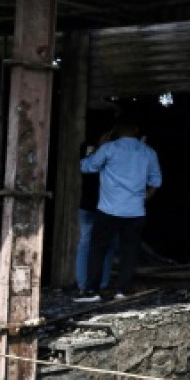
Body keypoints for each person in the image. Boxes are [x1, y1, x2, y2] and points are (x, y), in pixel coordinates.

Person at [74, 116, 161, 302]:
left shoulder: (108, 149)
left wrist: (97, 147)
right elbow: (155, 182)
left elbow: (86, 167)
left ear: (117, 131)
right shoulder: (148, 152)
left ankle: (92, 292)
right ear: (136, 129)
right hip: (135, 211)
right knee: (129, 252)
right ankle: (122, 291)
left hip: (108, 210)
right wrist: (144, 198)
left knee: (98, 250)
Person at [76, 134, 117, 294]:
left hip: (92, 203)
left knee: (88, 242)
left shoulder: (91, 149)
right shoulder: (110, 150)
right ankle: (98, 283)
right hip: (105, 205)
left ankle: (86, 283)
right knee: (105, 243)